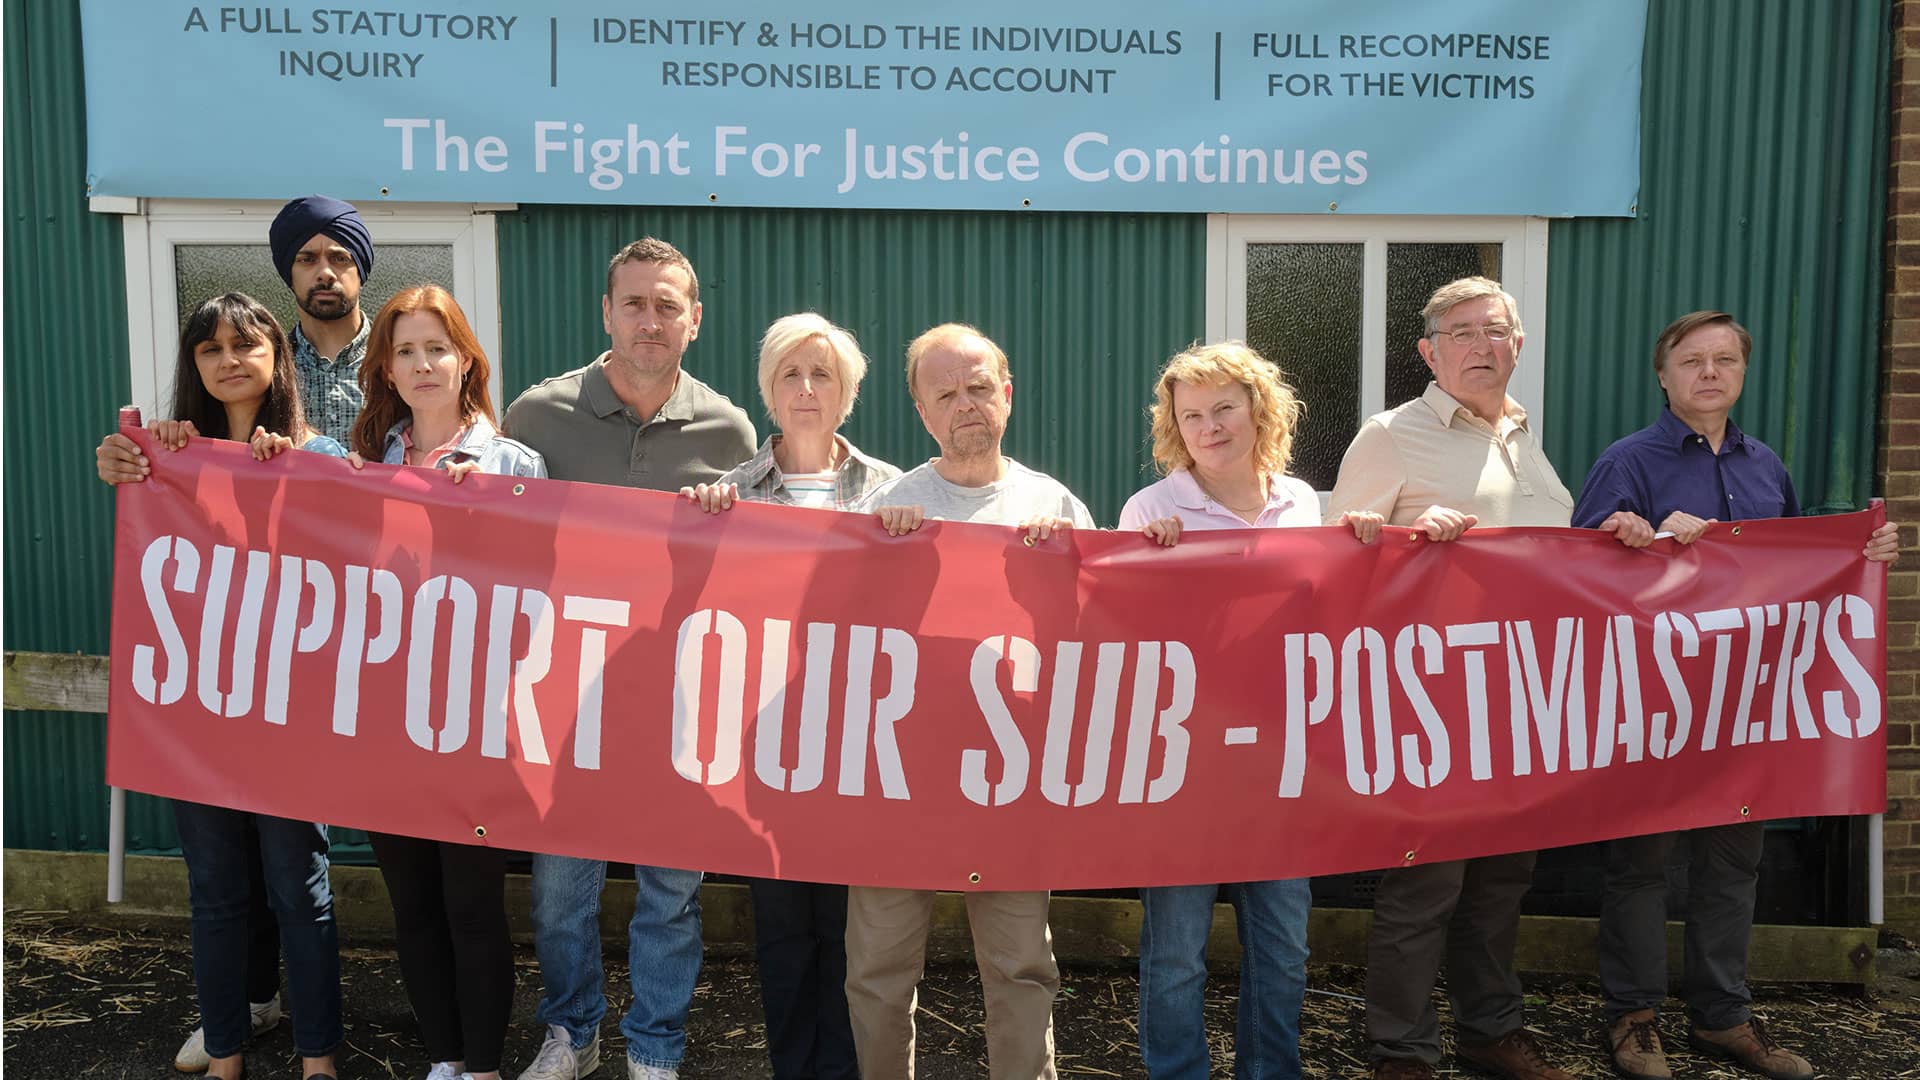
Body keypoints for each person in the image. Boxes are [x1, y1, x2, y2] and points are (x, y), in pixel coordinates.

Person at [1327, 276, 1651, 1080]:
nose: (1481, 345)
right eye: (1462, 332)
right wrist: (1405, 542)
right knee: (1423, 888)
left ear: (1519, 344)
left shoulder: (1521, 436)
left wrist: (1608, 540)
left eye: (1496, 330)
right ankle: (1401, 1053)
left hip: (1523, 706)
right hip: (1433, 706)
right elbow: (1337, 566)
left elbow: (1546, 565)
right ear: (1429, 351)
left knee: (1502, 884)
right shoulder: (1391, 435)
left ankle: (1490, 1033)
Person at [1573, 310, 1900, 1080]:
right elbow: (1575, 572)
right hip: (1653, 705)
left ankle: (1722, 1017)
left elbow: (1795, 571)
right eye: (1693, 361)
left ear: (1743, 373)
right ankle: (1634, 1017)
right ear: (1664, 374)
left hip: (1745, 706)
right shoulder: (1628, 460)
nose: (1710, 372)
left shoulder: (1767, 467)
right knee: (1641, 864)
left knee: (1732, 864)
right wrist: (1640, 537)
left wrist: (1862, 552)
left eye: (1725, 360)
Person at [503, 237, 756, 1080]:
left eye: (668, 304)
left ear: (695, 320)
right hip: (565, 697)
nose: (652, 320)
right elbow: (494, 546)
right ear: (606, 312)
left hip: (679, 701)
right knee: (559, 893)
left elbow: (752, 572)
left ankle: (655, 1045)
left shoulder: (728, 428)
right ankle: (573, 1032)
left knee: (670, 894)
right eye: (635, 303)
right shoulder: (537, 415)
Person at [93, 293, 347, 1080]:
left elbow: (358, 557)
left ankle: (318, 1055)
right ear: (194, 365)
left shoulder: (323, 453)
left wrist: (299, 473)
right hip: (195, 710)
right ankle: (228, 1049)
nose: (230, 359)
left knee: (298, 885)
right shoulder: (171, 453)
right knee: (215, 887)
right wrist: (127, 457)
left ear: (278, 356)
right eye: (211, 349)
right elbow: (130, 486)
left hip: (288, 708)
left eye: (247, 344)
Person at [1117, 341, 1382, 1080]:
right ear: (1175, 425)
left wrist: (1358, 546)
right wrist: (1145, 559)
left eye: (1225, 408)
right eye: (1192, 414)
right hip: (1187, 761)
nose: (1211, 427)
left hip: (1279, 760)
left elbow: (1327, 612)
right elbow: (1120, 635)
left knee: (1283, 945)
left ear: (1258, 410)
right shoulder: (1151, 508)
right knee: (1175, 949)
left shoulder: (1302, 502)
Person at [844, 322, 1092, 1080]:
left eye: (979, 386)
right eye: (945, 393)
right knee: (878, 973)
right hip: (901, 777)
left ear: (1007, 395)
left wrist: (1061, 568)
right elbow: (836, 636)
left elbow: (1100, 636)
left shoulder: (1053, 504)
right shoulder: (889, 505)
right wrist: (882, 558)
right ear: (922, 413)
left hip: (1009, 774)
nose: (966, 405)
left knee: (1020, 967)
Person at [680, 312, 899, 1080]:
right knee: (781, 929)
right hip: (765, 747)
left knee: (849, 932)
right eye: (790, 375)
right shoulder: (729, 494)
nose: (807, 390)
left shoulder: (893, 492)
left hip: (861, 748)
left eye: (824, 376)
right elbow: (689, 604)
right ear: (768, 391)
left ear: (849, 393)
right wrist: (697, 530)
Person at [339, 285, 545, 1080]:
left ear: (466, 360)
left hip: (472, 722)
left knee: (470, 905)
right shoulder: (359, 461)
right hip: (386, 720)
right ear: (387, 370)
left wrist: (488, 519)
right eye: (406, 351)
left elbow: (543, 595)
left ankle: (485, 1065)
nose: (423, 364)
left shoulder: (514, 464)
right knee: (413, 906)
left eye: (437, 347)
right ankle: (444, 1059)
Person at [270, 194, 375, 443]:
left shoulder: (399, 361)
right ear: (290, 274)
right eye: (307, 260)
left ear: (360, 270)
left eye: (340, 259)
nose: (325, 273)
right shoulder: (269, 369)